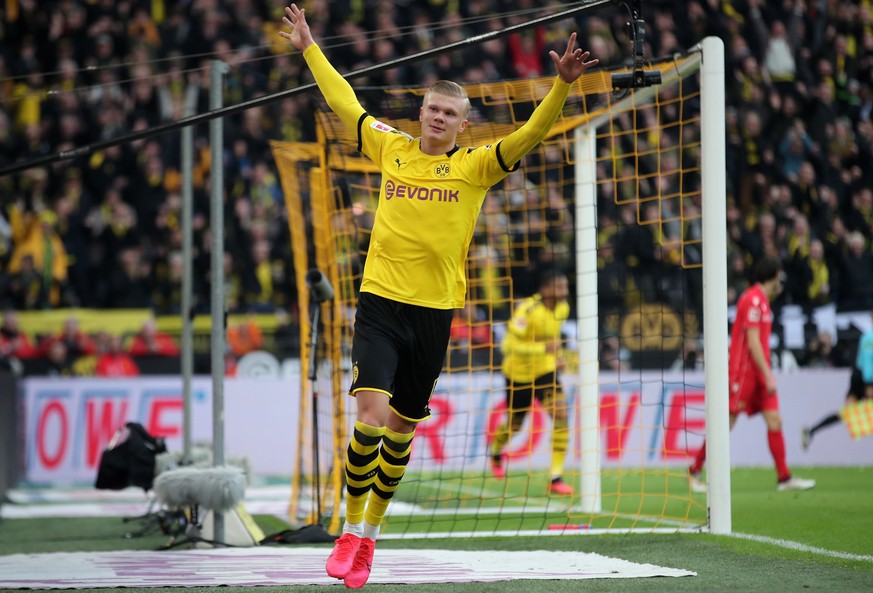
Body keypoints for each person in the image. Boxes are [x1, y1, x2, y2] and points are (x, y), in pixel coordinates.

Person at [280, 4, 598, 589]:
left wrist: (561, 86)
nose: (438, 118)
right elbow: (346, 103)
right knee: (370, 420)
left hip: (434, 315)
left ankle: (370, 538)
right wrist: (309, 48)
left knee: (402, 432)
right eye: (432, 108)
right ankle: (349, 530)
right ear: (421, 112)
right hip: (380, 304)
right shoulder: (391, 147)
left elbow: (529, 135)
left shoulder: (475, 168)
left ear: (461, 124)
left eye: (449, 113)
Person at [688, 256, 815, 493]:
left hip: (759, 373)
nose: (781, 281)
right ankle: (694, 470)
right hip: (744, 373)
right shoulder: (752, 299)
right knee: (725, 423)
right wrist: (768, 375)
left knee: (775, 420)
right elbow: (753, 341)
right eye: (779, 276)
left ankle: (784, 478)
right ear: (774, 275)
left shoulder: (763, 301)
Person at [490, 269, 573, 495]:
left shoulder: (563, 308)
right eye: (559, 287)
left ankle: (556, 477)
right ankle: (496, 450)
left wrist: (557, 357)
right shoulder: (527, 310)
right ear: (545, 290)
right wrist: (542, 348)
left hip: (545, 371)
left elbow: (552, 339)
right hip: (518, 374)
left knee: (561, 415)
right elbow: (508, 346)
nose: (564, 291)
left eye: (565, 287)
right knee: (515, 426)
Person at [802, 323, 873, 449]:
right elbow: (867, 363)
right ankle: (812, 431)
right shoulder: (869, 338)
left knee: (846, 413)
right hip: (863, 380)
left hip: (860, 378)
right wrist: (869, 385)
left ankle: (812, 430)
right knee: (847, 413)